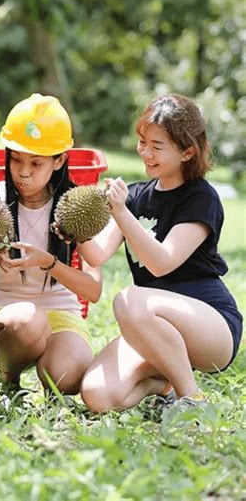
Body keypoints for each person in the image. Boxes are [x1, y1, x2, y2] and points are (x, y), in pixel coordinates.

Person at [77, 93, 243, 412]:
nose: (145, 153)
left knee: (127, 299)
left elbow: (162, 263)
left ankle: (191, 398)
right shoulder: (137, 196)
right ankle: (162, 385)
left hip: (210, 325)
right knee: (97, 394)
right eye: (142, 142)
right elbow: (96, 256)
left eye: (157, 145)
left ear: (188, 151)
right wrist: (72, 227)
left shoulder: (201, 198)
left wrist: (121, 212)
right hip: (152, 326)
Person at [0, 94, 102, 394]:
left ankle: (49, 373)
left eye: (36, 162)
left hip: (61, 314)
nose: (23, 172)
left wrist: (48, 262)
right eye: (16, 159)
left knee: (66, 377)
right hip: (4, 316)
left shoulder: (75, 206)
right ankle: (10, 382)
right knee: (27, 321)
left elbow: (93, 290)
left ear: (59, 160)